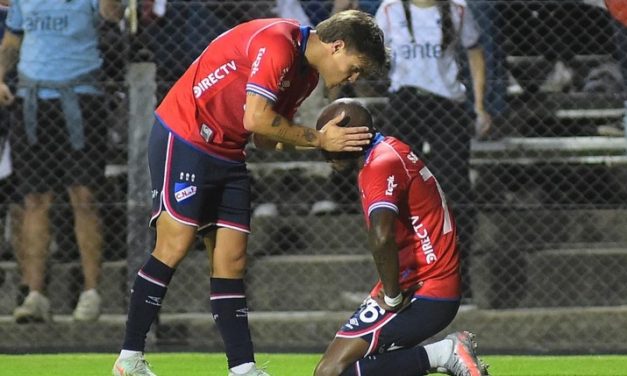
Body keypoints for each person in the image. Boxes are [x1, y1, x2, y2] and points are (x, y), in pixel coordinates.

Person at [112, 10, 388, 376]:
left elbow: (262, 137)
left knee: (232, 261)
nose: (353, 78)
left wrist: (321, 148)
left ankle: (242, 368)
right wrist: (319, 138)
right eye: (355, 67)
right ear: (337, 46)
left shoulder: (306, 75)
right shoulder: (278, 44)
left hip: (228, 150)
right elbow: (256, 119)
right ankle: (129, 359)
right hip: (186, 135)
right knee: (173, 246)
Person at [313, 98, 488, 376]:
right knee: (346, 370)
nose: (323, 149)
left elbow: (381, 237)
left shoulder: (379, 166)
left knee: (330, 373)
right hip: (425, 281)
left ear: (353, 137)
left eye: (330, 141)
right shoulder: (389, 149)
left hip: (425, 289)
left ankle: (444, 353)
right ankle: (441, 353)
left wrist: (393, 296)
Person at [0, 0, 124, 323]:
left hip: (81, 97)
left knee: (84, 197)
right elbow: (13, 40)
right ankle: (36, 294)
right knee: (34, 200)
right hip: (32, 100)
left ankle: (91, 292)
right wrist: (0, 75)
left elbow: (114, 14)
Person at [374, 0, 489, 301]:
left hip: (447, 104)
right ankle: (400, 278)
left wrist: (479, 106)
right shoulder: (390, 9)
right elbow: (373, 53)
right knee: (396, 191)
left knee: (455, 188)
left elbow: (475, 53)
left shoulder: (458, 9)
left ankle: (456, 279)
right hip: (405, 103)